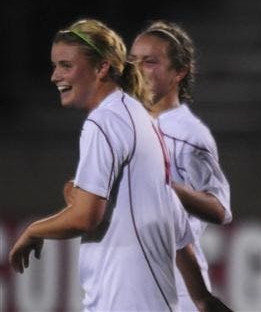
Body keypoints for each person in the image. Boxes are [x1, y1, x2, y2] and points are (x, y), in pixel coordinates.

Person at [7, 19, 227, 311]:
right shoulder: (140, 118)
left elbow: (86, 218)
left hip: (123, 300)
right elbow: (170, 215)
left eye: (65, 65)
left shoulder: (104, 123)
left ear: (101, 68)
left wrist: (34, 229)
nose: (54, 76)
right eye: (55, 65)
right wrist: (202, 298)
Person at [129, 20, 233, 311]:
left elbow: (220, 209)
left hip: (174, 284)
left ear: (179, 72)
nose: (137, 69)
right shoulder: (126, 124)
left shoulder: (187, 134)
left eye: (150, 62)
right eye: (133, 61)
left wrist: (169, 190)